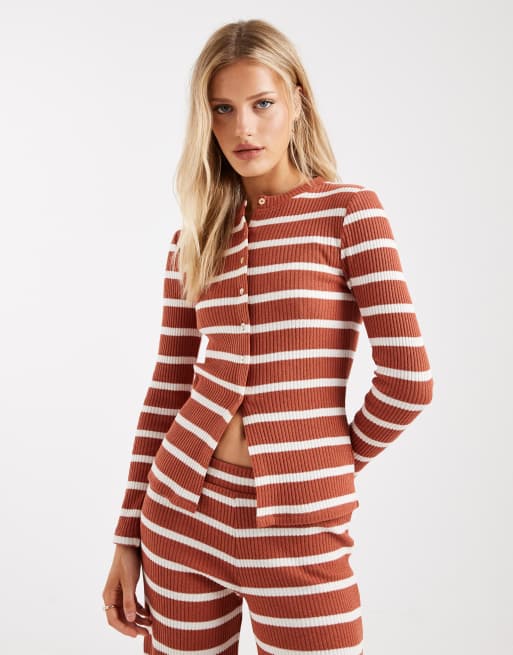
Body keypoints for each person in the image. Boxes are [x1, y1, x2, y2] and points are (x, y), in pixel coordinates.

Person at [102, 18, 434, 655]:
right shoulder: (193, 241)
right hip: (179, 514)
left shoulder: (349, 213)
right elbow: (168, 388)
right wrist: (126, 535)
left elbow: (409, 383)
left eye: (261, 103)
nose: (243, 130)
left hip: (299, 531)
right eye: (222, 109)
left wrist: (324, 466)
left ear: (296, 103)